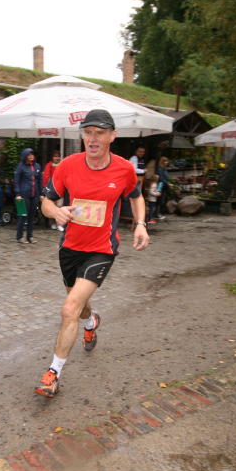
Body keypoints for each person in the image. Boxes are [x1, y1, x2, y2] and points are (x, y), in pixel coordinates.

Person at [36, 109, 150, 397]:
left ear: (113, 136)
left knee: (68, 308)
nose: (93, 138)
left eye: (100, 133)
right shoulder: (67, 166)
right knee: (79, 307)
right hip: (70, 248)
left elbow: (137, 198)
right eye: (88, 132)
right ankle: (91, 322)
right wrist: (55, 211)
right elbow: (45, 201)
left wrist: (140, 224)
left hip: (101, 249)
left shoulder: (124, 170)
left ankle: (53, 374)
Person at [14, 148, 42, 244]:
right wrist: (18, 194)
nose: (31, 156)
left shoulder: (37, 166)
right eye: (29, 155)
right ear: (25, 156)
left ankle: (30, 236)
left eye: (32, 154)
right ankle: (19, 236)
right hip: (23, 195)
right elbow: (16, 181)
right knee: (22, 215)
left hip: (34, 195)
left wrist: (40, 194)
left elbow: (39, 181)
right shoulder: (20, 166)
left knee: (31, 216)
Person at [42, 150, 63, 229]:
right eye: (55, 156)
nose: (57, 158)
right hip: (52, 189)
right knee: (52, 206)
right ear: (52, 158)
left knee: (60, 206)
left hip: (61, 189)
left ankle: (59, 223)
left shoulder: (62, 164)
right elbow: (46, 177)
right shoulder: (49, 165)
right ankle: (52, 223)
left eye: (58, 156)